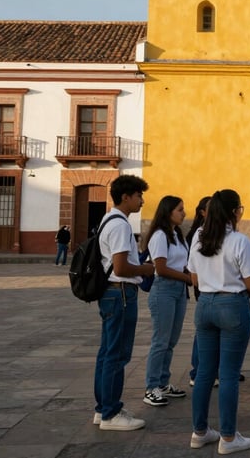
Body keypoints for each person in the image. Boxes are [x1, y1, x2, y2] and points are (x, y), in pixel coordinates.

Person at [187, 189, 250, 453]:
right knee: (228, 373)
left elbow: (193, 278)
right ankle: (228, 437)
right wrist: (237, 294)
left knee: (205, 370)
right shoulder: (239, 241)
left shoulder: (198, 237)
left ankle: (200, 431)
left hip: (204, 304)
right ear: (233, 212)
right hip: (232, 303)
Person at [93, 175, 154, 431]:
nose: (142, 200)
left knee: (107, 353)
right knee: (117, 354)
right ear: (126, 197)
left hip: (112, 293)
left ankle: (103, 408)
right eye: (139, 195)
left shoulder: (108, 219)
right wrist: (146, 269)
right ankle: (110, 413)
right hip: (121, 294)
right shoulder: (119, 225)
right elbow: (120, 266)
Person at [142, 195, 192, 407]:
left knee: (171, 340)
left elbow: (183, 263)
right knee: (160, 341)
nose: (184, 213)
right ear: (168, 211)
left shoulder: (177, 235)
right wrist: (188, 278)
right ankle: (151, 387)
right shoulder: (160, 236)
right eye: (180, 209)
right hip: (164, 289)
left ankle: (163, 382)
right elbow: (160, 268)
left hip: (179, 291)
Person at [186, 196, 209, 388]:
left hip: (207, 289)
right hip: (204, 290)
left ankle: (211, 370)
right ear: (202, 212)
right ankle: (197, 371)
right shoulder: (198, 233)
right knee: (203, 332)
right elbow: (192, 269)